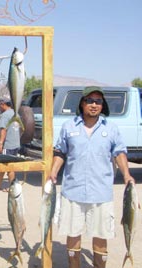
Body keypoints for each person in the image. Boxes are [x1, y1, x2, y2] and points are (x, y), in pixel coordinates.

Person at [47, 86, 135, 268]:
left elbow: (119, 153)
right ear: (82, 103)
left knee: (101, 237)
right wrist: (53, 172)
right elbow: (60, 152)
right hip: (73, 191)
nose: (94, 105)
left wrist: (127, 175)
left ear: (102, 105)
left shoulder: (111, 128)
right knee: (72, 234)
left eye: (98, 101)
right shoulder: (68, 127)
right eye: (90, 101)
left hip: (101, 193)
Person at [0, 96, 21, 191]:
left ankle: (12, 187)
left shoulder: (5, 115)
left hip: (8, 144)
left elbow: (3, 130)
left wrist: (0, 144)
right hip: (16, 144)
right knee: (3, 164)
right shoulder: (16, 114)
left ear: (3, 104)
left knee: (9, 166)